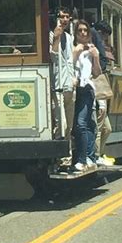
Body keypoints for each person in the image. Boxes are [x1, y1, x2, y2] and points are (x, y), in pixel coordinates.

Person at [71, 20, 101, 173]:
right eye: (80, 30)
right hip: (73, 88)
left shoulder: (92, 50)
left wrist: (96, 57)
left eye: (86, 30)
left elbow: (96, 73)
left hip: (86, 89)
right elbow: (69, 65)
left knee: (82, 123)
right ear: (75, 33)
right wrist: (76, 52)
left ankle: (83, 159)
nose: (83, 33)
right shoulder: (73, 47)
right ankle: (89, 157)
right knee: (83, 124)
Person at [49, 7, 75, 144]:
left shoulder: (69, 37)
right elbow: (53, 57)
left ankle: (67, 159)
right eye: (62, 17)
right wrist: (57, 38)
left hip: (69, 85)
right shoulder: (50, 35)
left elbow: (70, 60)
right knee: (62, 124)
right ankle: (60, 157)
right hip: (57, 85)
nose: (65, 20)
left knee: (69, 124)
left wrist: (74, 78)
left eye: (67, 17)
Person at [92, 20, 114, 166]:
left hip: (99, 81)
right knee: (99, 122)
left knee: (107, 128)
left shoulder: (95, 37)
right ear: (102, 33)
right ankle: (95, 156)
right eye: (105, 37)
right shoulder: (94, 37)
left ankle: (99, 153)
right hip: (97, 82)